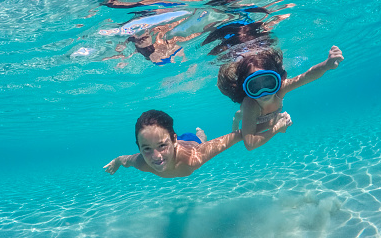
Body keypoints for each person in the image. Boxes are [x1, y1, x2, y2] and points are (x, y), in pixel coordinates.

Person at [217, 46, 344, 151]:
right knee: (240, 115)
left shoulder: (281, 88)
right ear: (246, 88)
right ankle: (236, 118)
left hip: (270, 114)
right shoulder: (251, 104)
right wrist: (277, 128)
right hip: (252, 114)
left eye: (268, 82)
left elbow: (307, 76)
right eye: (255, 86)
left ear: (278, 80)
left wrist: (326, 65)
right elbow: (250, 144)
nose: (263, 91)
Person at [103, 109, 287, 178]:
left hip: (191, 141)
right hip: (176, 140)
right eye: (146, 149)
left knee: (200, 138)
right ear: (139, 148)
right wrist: (116, 162)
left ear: (174, 140)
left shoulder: (195, 156)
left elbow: (240, 135)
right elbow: (124, 158)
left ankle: (200, 132)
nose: (156, 157)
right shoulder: (141, 162)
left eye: (161, 146)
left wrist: (275, 124)